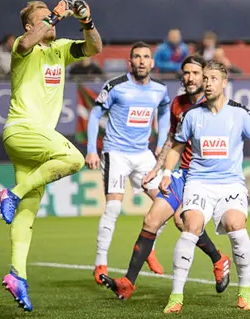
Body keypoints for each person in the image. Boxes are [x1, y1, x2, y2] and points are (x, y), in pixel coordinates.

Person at [161, 61, 250, 314]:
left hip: (230, 183)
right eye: (206, 78)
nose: (209, 83)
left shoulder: (240, 114)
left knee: (236, 224)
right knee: (191, 225)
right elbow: (177, 147)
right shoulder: (192, 116)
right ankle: (176, 296)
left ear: (224, 83)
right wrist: (167, 172)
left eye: (214, 78)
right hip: (199, 182)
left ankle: (245, 290)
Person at [0, 0, 103, 311]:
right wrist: (56, 14)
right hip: (21, 129)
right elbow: (28, 41)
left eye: (51, 16)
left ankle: (18, 275)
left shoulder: (60, 49)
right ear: (30, 25)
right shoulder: (23, 45)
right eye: (43, 17)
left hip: (37, 144)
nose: (52, 20)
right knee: (76, 159)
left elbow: (94, 48)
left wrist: (86, 20)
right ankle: (12, 193)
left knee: (27, 215)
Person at [99, 55, 231, 299]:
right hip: (181, 174)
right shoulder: (178, 104)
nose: (189, 78)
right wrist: (157, 168)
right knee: (151, 220)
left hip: (205, 177)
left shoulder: (215, 104)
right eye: (186, 73)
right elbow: (172, 139)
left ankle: (219, 258)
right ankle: (128, 283)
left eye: (195, 73)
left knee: (184, 222)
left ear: (206, 77)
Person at [85, 42, 171, 284]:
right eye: (137, 57)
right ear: (129, 62)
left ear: (152, 63)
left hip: (143, 154)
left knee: (166, 203)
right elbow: (94, 115)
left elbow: (164, 112)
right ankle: (100, 262)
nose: (142, 61)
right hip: (116, 153)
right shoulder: (116, 86)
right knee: (113, 207)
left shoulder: (159, 89)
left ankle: (149, 248)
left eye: (146, 57)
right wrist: (92, 150)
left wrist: (162, 141)